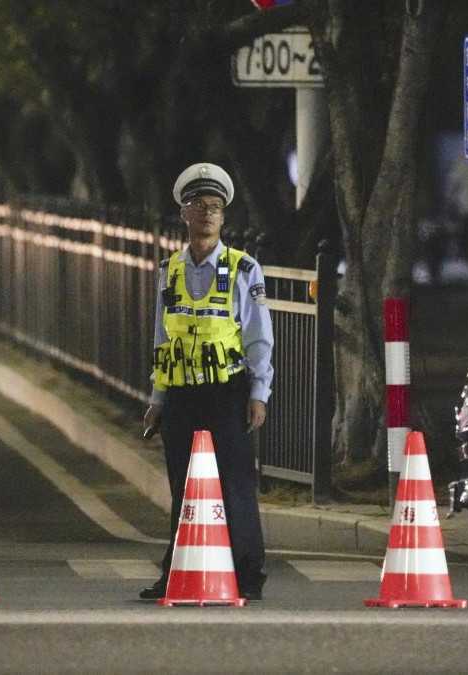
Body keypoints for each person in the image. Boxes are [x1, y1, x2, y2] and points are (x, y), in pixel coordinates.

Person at [140, 163, 274, 601]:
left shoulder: (243, 268)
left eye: (215, 207)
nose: (208, 213)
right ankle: (176, 571)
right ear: (184, 213)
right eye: (199, 205)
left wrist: (258, 393)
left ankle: (248, 573)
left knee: (235, 483)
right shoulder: (170, 269)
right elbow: (163, 336)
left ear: (223, 217)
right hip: (181, 393)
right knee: (183, 486)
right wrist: (158, 398)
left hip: (227, 391)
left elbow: (258, 337)